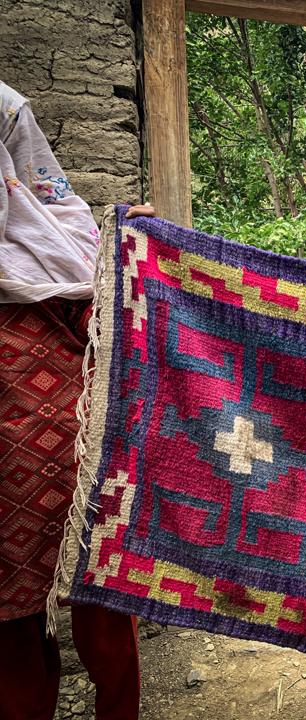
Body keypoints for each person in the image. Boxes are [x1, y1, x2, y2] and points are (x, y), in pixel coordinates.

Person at [0, 81, 154, 719]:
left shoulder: (67, 249)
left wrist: (123, 247)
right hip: (38, 425)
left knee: (95, 591)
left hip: (72, 425)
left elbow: (55, 202)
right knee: (22, 623)